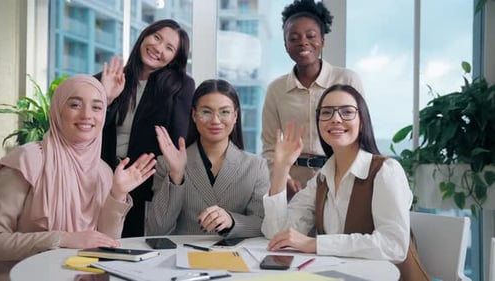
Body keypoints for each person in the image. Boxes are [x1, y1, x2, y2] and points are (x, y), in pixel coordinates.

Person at [0, 75, 156, 280]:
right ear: (58, 110)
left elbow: (104, 244)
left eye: (97, 107)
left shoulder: (104, 171)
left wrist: (118, 194)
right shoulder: (27, 161)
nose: (87, 115)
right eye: (75, 105)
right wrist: (62, 239)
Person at [262, 84, 430, 281]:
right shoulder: (321, 179)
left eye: (347, 112)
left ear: (363, 121)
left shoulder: (385, 171)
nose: (335, 119)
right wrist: (281, 168)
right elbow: (277, 234)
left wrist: (314, 244)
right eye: (326, 112)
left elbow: (393, 245)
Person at [97, 19, 196, 237]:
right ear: (144, 36)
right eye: (156, 37)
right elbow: (87, 131)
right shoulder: (110, 79)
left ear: (174, 59)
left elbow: (178, 141)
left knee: (134, 250)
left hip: (146, 183)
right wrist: (106, 98)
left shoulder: (180, 86)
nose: (158, 48)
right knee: (98, 247)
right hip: (102, 179)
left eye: (169, 48)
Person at [261, 0, 364, 198]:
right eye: (294, 37)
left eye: (311, 36)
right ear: (285, 45)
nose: (303, 42)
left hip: (338, 178)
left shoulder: (347, 80)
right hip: (293, 183)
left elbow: (361, 135)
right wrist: (282, 178)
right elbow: (269, 148)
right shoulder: (276, 89)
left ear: (322, 41)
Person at [146, 79, 269, 238]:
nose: (215, 120)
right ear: (194, 115)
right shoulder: (166, 163)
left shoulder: (256, 166)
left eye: (224, 112)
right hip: (180, 257)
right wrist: (176, 175)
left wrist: (232, 221)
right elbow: (156, 231)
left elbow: (263, 225)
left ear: (235, 116)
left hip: (234, 259)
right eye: (206, 112)